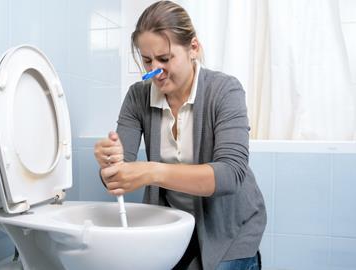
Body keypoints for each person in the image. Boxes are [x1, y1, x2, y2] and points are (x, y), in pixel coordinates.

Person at [93, 1, 266, 269]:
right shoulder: (137, 96)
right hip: (174, 225)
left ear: (193, 48)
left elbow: (230, 175)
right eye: (147, 60)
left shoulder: (225, 90)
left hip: (231, 229)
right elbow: (117, 176)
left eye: (165, 59)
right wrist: (109, 165)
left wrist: (151, 171)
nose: (155, 71)